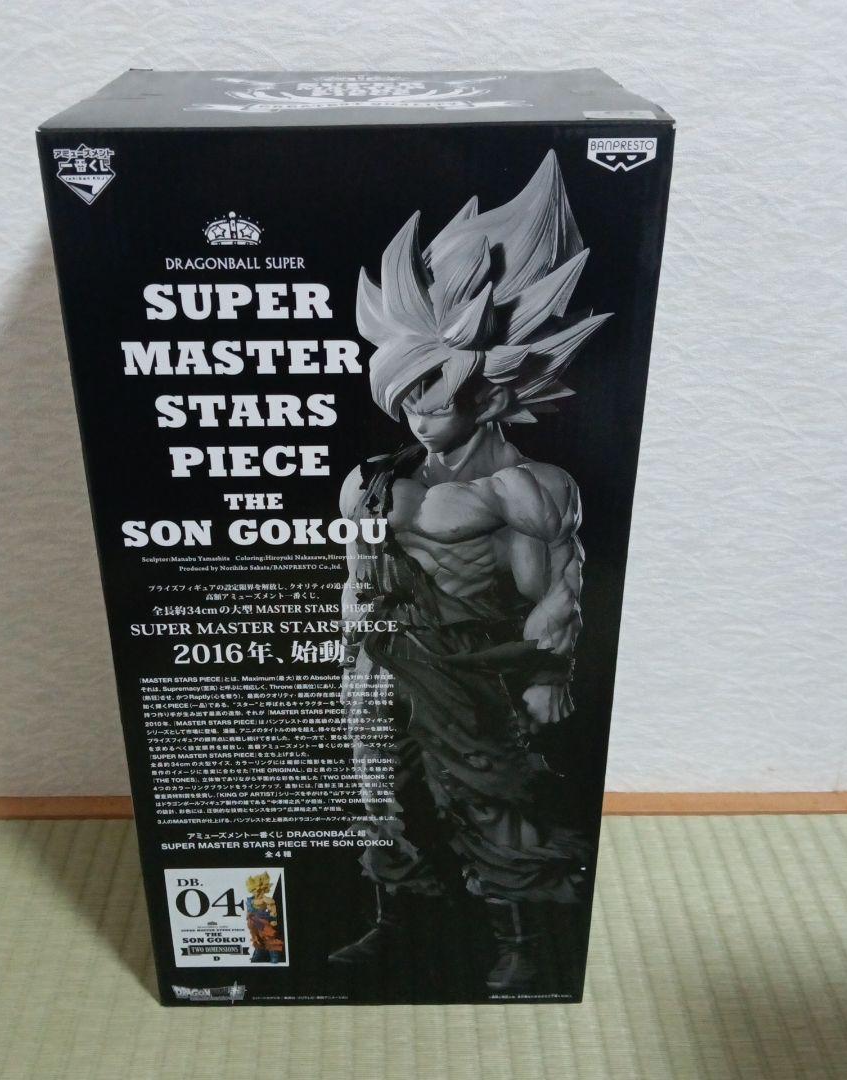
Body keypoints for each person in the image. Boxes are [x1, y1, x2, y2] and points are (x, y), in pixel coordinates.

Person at [330, 151, 609, 992]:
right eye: (406, 398)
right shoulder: (373, 480)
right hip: (383, 659)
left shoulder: (525, 488)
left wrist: (550, 675)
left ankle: (520, 939)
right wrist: (347, 660)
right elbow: (356, 574)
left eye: (435, 396)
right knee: (382, 793)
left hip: (470, 663)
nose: (418, 415)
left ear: (486, 394)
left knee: (491, 797)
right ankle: (401, 922)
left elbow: (558, 585)